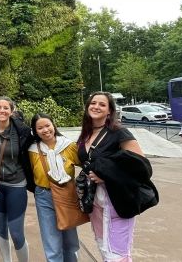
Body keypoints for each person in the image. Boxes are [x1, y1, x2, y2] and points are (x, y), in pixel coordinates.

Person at [76, 92, 144, 261]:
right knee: (103, 247)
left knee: (117, 254)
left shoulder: (118, 132)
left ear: (109, 111)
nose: (96, 107)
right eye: (93, 103)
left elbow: (142, 166)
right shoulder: (86, 133)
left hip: (118, 201)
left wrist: (108, 176)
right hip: (95, 202)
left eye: (102, 104)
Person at [0, 96, 33, 262]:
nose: (2, 111)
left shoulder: (21, 131)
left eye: (5, 108)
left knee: (16, 232)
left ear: (12, 111)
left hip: (16, 184)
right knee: (0, 228)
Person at [28, 113, 81, 262]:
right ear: (35, 131)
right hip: (43, 196)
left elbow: (86, 164)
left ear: (53, 125)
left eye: (47, 125)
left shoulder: (69, 146)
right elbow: (30, 172)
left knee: (70, 239)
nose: (45, 130)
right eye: (40, 128)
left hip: (67, 194)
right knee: (51, 240)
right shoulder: (32, 150)